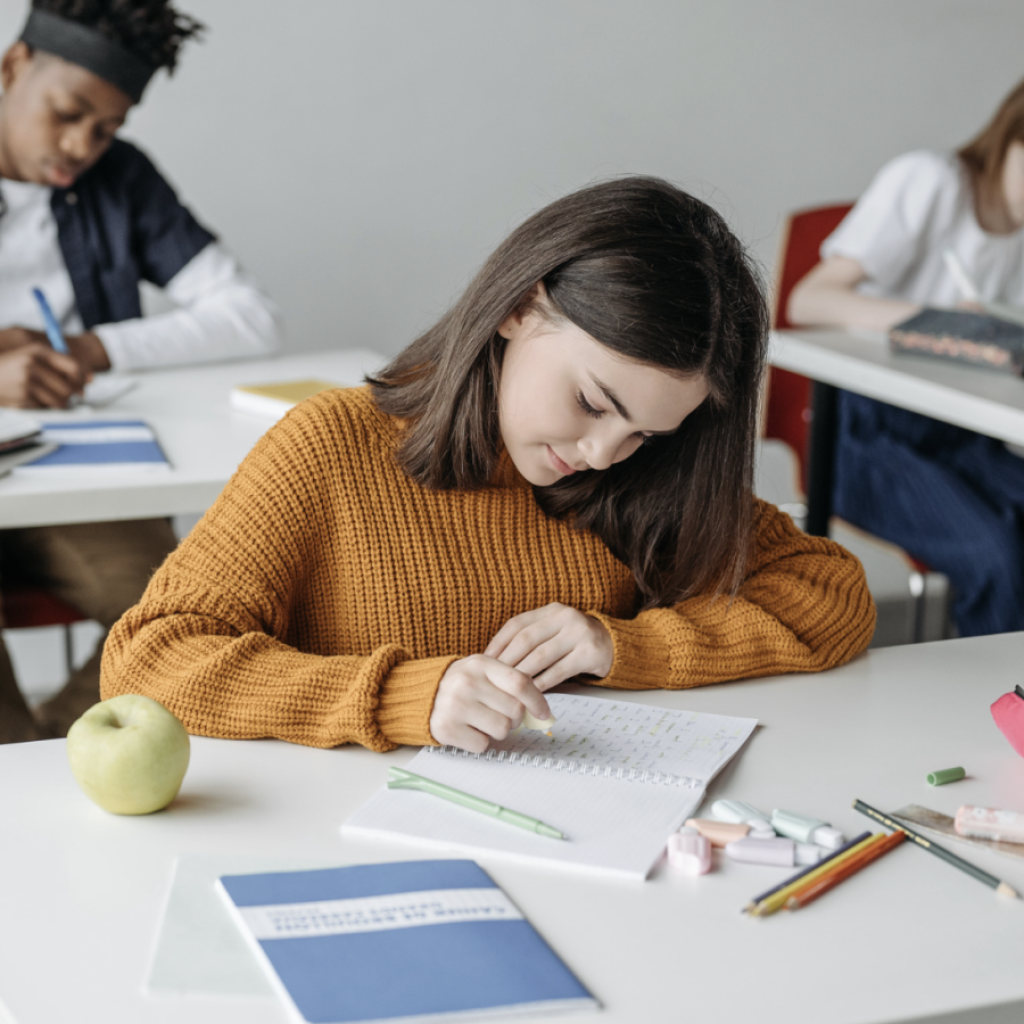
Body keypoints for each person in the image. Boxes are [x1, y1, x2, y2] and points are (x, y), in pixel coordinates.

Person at [101, 176, 875, 754]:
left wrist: (624, 647)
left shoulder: (643, 476)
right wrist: (405, 696)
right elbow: (147, 662)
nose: (602, 454)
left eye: (647, 433)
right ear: (518, 307)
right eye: (594, 402)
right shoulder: (333, 445)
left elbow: (831, 595)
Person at [0, 0, 284, 744]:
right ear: (12, 68)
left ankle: (56, 748)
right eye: (67, 113)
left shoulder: (120, 180)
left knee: (182, 616)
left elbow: (250, 314)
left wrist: (95, 349)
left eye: (107, 128)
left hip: (79, 477)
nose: (81, 145)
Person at [788, 76, 1024, 638]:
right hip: (863, 434)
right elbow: (808, 298)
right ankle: (1000, 714)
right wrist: (938, 322)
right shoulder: (933, 180)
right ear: (1012, 136)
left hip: (963, 431)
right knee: (998, 555)